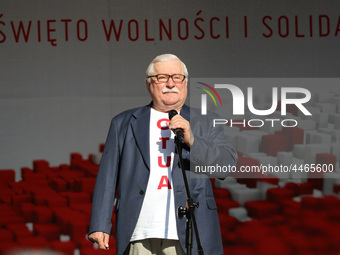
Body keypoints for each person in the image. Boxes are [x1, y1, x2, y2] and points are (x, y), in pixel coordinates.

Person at [88, 53, 238, 255]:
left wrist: (193, 140)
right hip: (140, 232)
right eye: (162, 78)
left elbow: (226, 165)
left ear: (185, 83)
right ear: (149, 84)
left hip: (189, 230)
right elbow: (108, 176)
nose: (170, 83)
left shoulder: (205, 121)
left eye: (177, 77)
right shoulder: (123, 122)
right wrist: (99, 223)